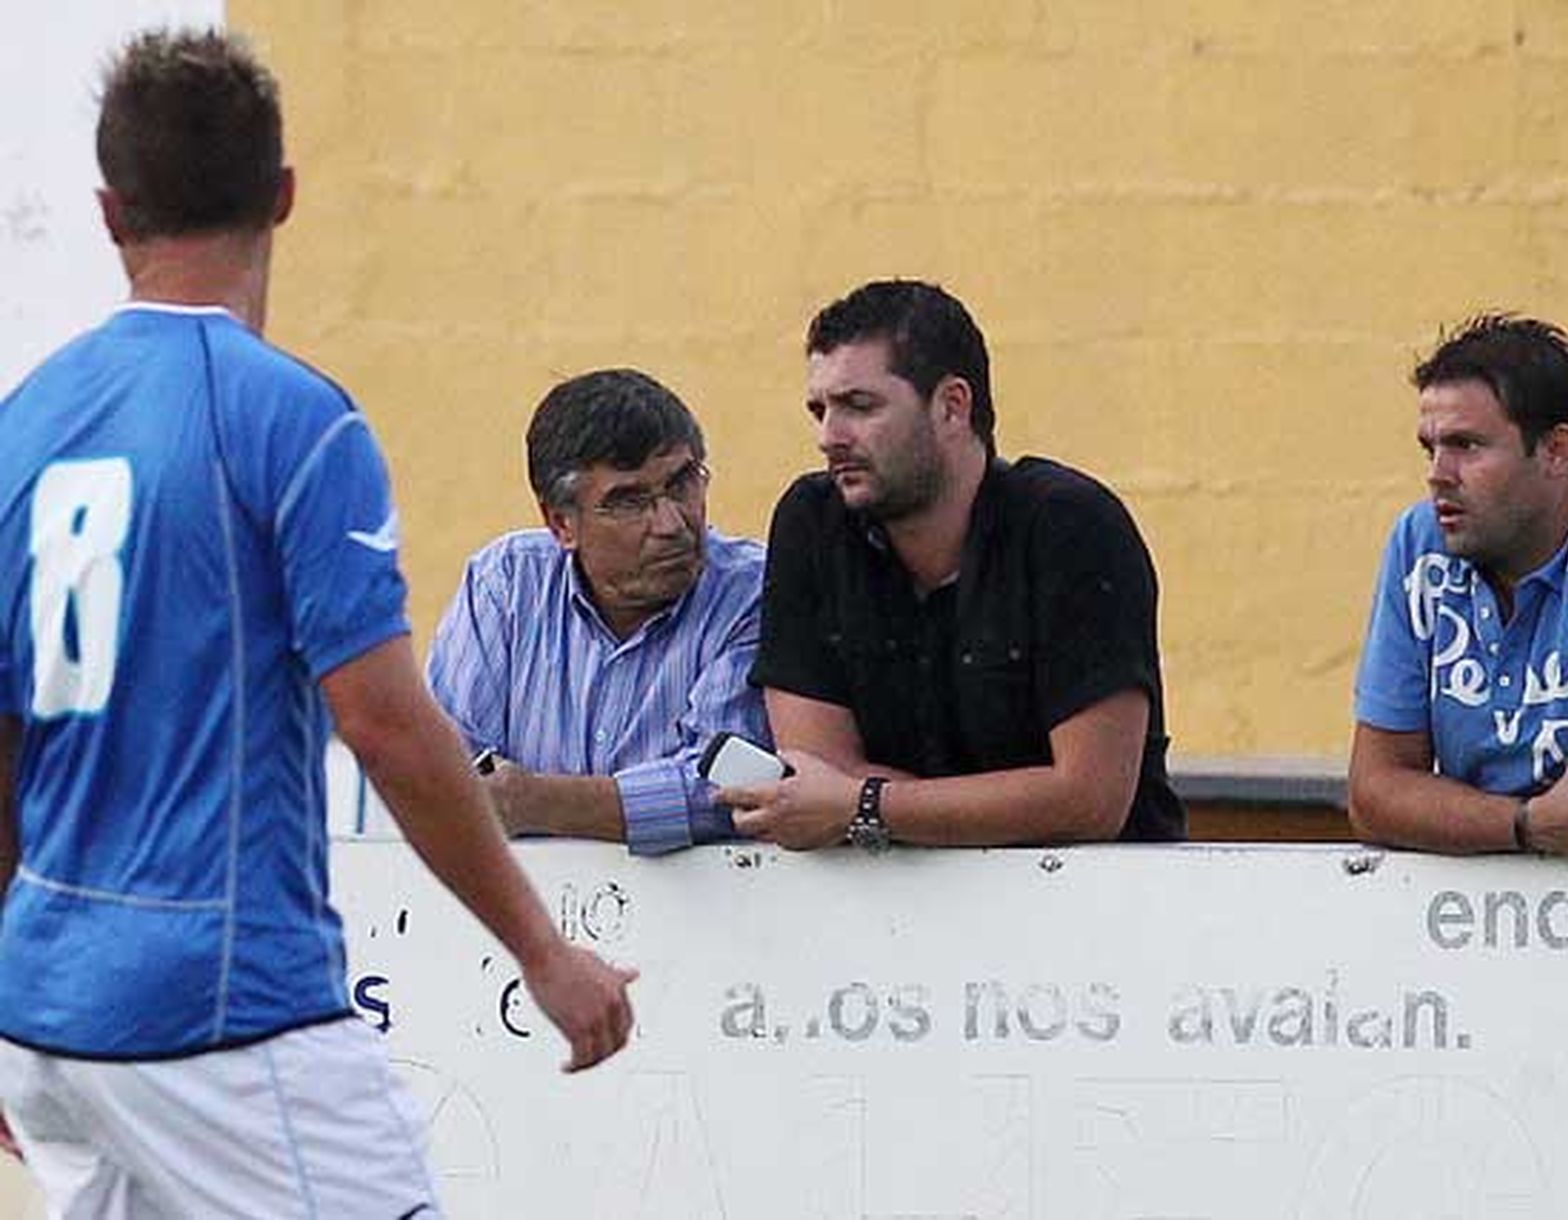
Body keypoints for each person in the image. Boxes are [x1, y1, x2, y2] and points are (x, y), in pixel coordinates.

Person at [0, 29, 634, 1218]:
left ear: (105, 211)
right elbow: (384, 723)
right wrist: (545, 954)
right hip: (226, 1007)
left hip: (49, 1010)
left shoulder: (20, 428)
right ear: (284, 194)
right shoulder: (294, 420)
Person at [725, 278, 1184, 850]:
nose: (828, 437)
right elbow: (814, 772)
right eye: (819, 410)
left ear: (952, 405)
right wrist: (991, 808)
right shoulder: (812, 520)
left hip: (1092, 908)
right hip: (885, 906)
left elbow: (1090, 800)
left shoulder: (1070, 525)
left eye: (859, 406)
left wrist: (865, 807)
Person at [427, 368, 769, 854]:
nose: (672, 523)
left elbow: (734, 790)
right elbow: (446, 774)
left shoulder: (752, 591)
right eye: (629, 502)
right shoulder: (506, 582)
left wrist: (537, 802)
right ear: (562, 523)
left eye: (682, 484)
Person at [1350, 313, 1568, 858]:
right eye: (1430, 448)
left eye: (1466, 445)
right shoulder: (1420, 545)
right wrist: (1529, 824)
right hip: (1479, 922)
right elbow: (1375, 791)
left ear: (1557, 450)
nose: (1438, 473)